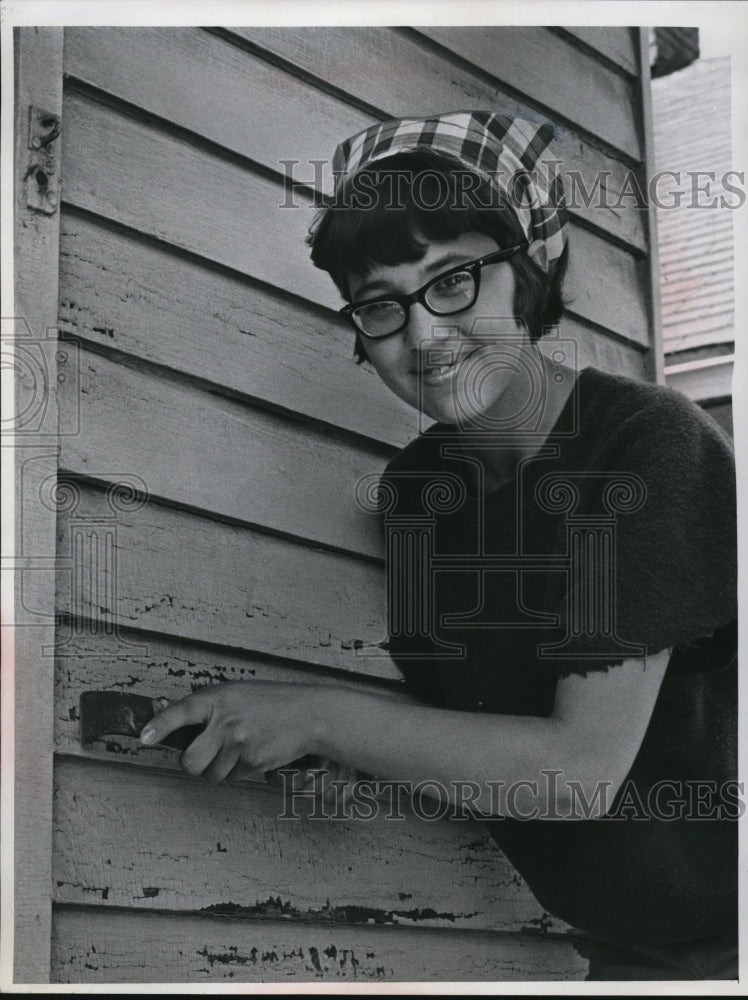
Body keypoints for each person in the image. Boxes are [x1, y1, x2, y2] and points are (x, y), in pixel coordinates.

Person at [140, 111, 739, 981]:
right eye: (381, 304)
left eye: (452, 279)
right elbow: (474, 731)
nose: (422, 336)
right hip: (627, 957)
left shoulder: (648, 446)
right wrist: (351, 753)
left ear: (525, 275)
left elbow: (576, 772)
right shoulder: (417, 494)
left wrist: (320, 715)